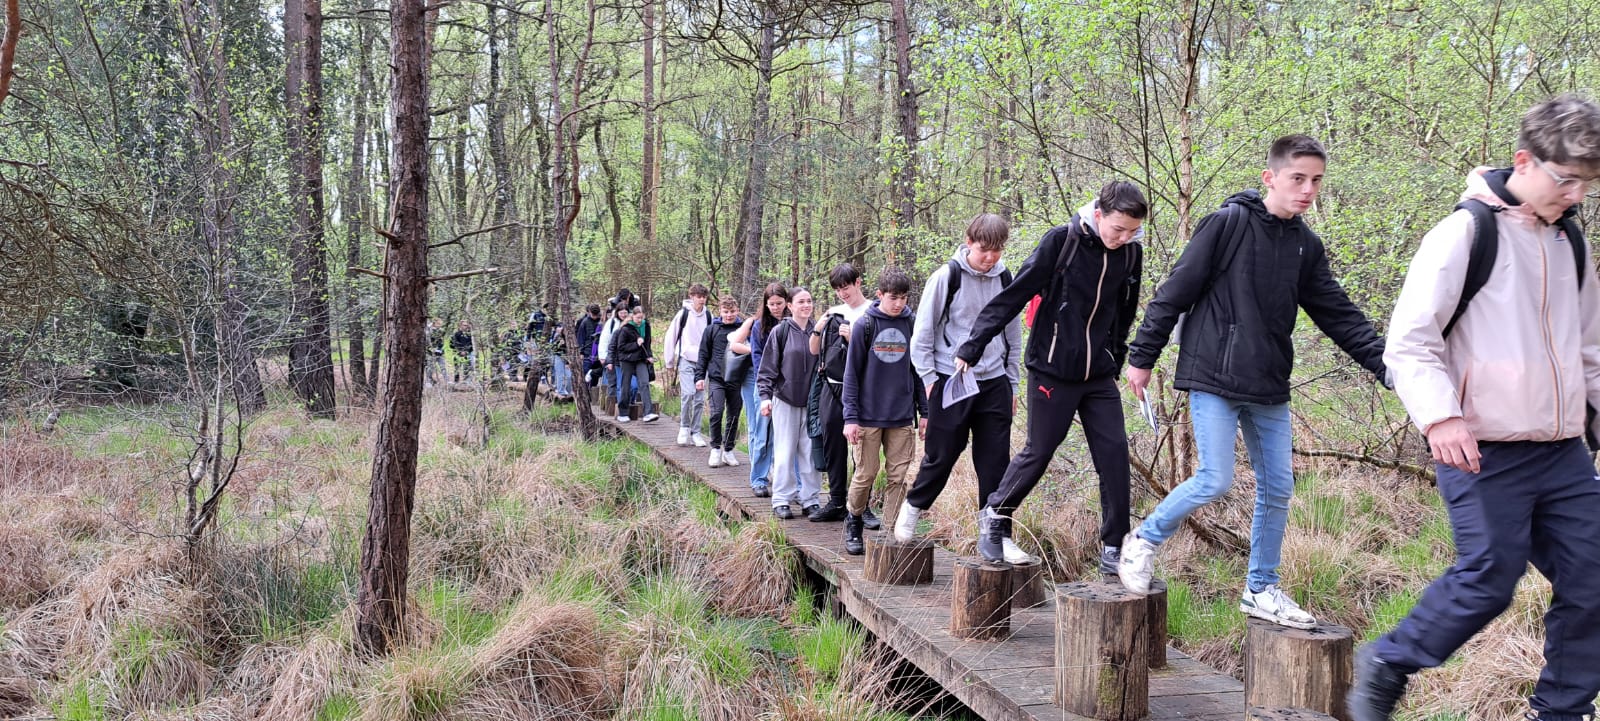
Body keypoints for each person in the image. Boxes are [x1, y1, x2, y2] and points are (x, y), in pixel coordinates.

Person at [1348, 95, 1600, 721]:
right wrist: (1441, 417)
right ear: (1525, 161)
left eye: (1587, 184)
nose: (1575, 195)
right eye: (1566, 179)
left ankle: (1561, 712)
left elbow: (1589, 346)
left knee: (1596, 579)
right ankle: (1390, 660)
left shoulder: (1572, 244)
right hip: (1482, 447)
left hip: (1564, 451)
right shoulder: (1465, 232)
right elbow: (1409, 340)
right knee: (1491, 575)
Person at [1119, 135, 1388, 631]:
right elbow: (1173, 292)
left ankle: (1260, 588)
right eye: (1298, 179)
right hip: (1214, 377)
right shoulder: (1228, 224)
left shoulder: (1306, 244)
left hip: (1268, 382)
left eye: (1316, 181)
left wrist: (1388, 366)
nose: (1308, 190)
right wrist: (1141, 356)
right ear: (1270, 178)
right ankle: (1144, 540)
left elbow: (1339, 315)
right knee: (1215, 478)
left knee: (1279, 487)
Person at [959, 184, 1146, 569]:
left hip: (1099, 374)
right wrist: (973, 345)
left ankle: (1114, 548)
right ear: (1099, 215)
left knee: (1113, 456)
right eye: (1118, 229)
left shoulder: (1131, 254)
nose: (1124, 237)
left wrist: (1119, 352)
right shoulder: (1062, 242)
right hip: (1052, 369)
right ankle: (995, 514)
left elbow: (1125, 310)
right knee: (1040, 450)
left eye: (1132, 230)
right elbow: (1014, 295)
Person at [898, 214, 1022, 549]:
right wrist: (928, 380)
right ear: (969, 243)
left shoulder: (1005, 278)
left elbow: (1012, 333)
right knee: (943, 452)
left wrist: (1013, 382)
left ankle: (997, 533)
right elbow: (922, 334)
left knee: (996, 460)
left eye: (997, 250)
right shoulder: (947, 276)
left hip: (994, 381)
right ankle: (913, 508)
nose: (990, 257)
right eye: (984, 249)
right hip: (950, 379)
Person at [841, 269, 928, 555]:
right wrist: (850, 418)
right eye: (893, 297)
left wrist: (924, 412)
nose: (899, 303)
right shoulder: (866, 324)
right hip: (867, 416)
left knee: (898, 477)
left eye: (903, 297)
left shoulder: (911, 324)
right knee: (865, 474)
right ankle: (853, 519)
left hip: (901, 415)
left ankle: (890, 533)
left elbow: (918, 371)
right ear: (879, 296)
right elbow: (851, 375)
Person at [810, 264, 874, 526]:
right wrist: (818, 327)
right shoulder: (833, 313)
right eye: (837, 289)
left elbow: (879, 354)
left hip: (864, 387)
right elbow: (815, 350)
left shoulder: (873, 311)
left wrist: (853, 337)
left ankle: (862, 507)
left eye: (845, 287)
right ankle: (837, 500)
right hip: (832, 385)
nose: (842, 293)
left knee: (863, 448)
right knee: (832, 444)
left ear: (858, 282)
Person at [758, 287, 821, 519]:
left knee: (810, 454)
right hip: (784, 400)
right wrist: (765, 398)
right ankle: (782, 498)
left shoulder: (818, 330)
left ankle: (810, 499)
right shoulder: (781, 332)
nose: (806, 305)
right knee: (784, 452)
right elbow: (766, 369)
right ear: (790, 306)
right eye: (801, 302)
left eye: (809, 301)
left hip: (812, 403)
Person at [729, 283, 791, 498]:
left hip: (789, 387)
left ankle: (788, 482)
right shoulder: (759, 326)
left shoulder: (793, 323)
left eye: (779, 303)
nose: (776, 308)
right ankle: (758, 479)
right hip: (764, 385)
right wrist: (765, 385)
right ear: (766, 304)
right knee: (762, 434)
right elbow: (757, 357)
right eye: (772, 304)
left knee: (786, 436)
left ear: (786, 302)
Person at [696, 295, 748, 467]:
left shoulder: (743, 328)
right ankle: (716, 448)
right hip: (716, 378)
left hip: (736, 379)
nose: (729, 315)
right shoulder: (712, 329)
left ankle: (729, 450)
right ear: (720, 311)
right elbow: (703, 354)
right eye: (725, 312)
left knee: (733, 416)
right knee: (716, 412)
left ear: (737, 311)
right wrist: (699, 377)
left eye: (732, 311)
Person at [664, 284, 714, 447]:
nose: (701, 299)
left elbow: (713, 338)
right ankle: (684, 427)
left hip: (703, 361)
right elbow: (671, 337)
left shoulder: (708, 315)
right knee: (688, 393)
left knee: (699, 398)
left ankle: (696, 431)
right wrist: (669, 361)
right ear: (691, 296)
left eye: (703, 296)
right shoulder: (683, 314)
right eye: (698, 296)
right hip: (686, 359)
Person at [607, 306, 658, 423]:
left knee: (644, 383)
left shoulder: (646, 326)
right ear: (632, 316)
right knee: (626, 385)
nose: (639, 320)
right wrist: (636, 344)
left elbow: (648, 344)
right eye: (637, 318)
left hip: (640, 359)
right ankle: (623, 412)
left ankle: (648, 412)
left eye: (641, 318)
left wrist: (649, 356)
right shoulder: (625, 329)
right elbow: (621, 347)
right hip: (627, 360)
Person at [598, 304, 631, 403]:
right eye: (621, 313)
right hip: (612, 355)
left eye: (625, 313)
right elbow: (604, 339)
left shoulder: (631, 322)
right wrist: (603, 356)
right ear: (617, 313)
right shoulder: (611, 323)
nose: (623, 315)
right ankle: (611, 405)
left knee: (623, 383)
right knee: (612, 382)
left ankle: (622, 405)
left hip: (626, 357)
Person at [575, 303, 604, 387]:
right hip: (588, 353)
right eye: (593, 314)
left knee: (595, 375)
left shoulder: (602, 321)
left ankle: (593, 393)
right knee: (586, 373)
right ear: (589, 312)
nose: (595, 316)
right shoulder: (584, 322)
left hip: (599, 352)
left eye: (596, 314)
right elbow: (580, 338)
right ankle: (586, 394)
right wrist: (581, 352)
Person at [426, 318, 446, 386]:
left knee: (443, 366)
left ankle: (447, 380)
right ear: (434, 323)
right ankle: (429, 381)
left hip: (440, 352)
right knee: (430, 367)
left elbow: (441, 341)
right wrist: (431, 348)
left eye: (441, 324)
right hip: (430, 352)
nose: (440, 325)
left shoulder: (441, 331)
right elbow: (427, 341)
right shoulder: (429, 331)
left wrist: (439, 349)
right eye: (438, 324)